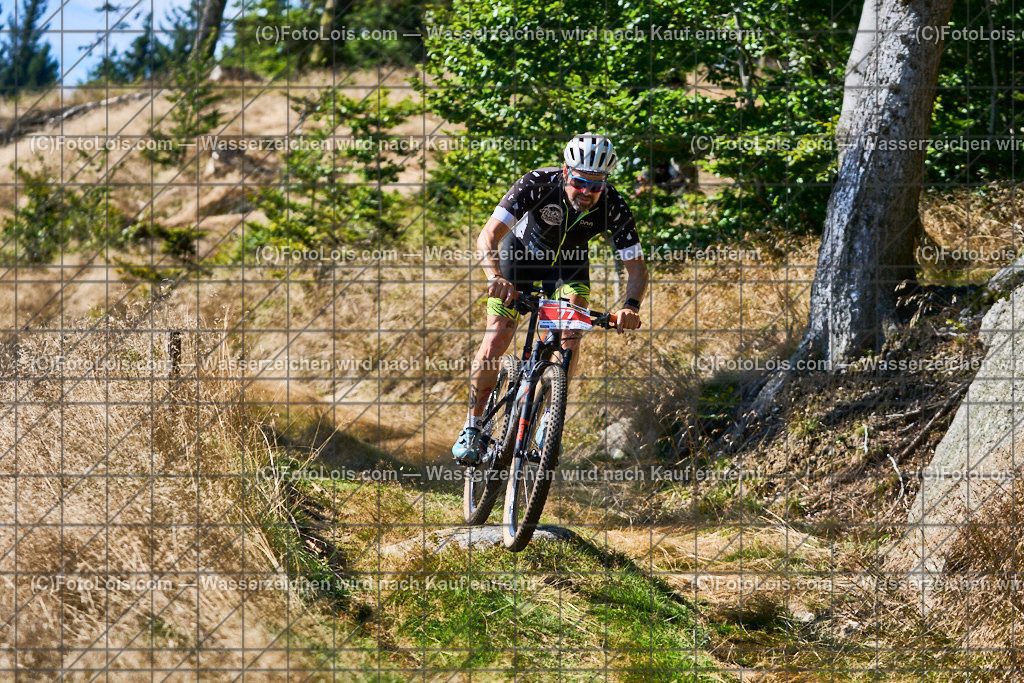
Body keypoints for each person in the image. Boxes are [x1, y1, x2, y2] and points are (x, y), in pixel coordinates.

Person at [452, 133, 649, 465]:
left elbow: (637, 267)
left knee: (570, 332)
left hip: (567, 269)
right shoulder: (538, 183)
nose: (586, 192)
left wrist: (630, 307)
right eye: (581, 182)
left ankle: (548, 422)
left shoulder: (613, 205)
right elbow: (489, 235)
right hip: (520, 259)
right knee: (497, 336)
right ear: (565, 172)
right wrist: (495, 277)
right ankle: (472, 427)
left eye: (596, 185)